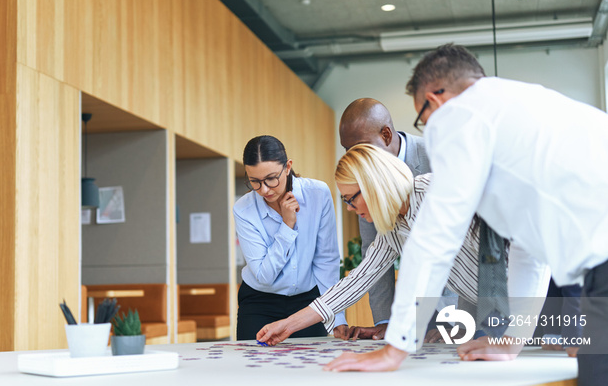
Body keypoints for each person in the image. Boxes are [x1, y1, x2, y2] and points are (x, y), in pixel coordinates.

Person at [323, 44, 608, 386]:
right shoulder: (526, 110)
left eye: (422, 118)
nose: (429, 128)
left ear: (434, 100)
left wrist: (395, 349)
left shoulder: (457, 116)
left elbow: (436, 235)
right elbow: (529, 251)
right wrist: (513, 341)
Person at [256, 144, 549, 344]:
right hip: (501, 314)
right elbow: (356, 282)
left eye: (350, 198)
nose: (348, 207)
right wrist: (289, 325)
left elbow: (521, 258)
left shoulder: (438, 192)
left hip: (543, 300)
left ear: (374, 185)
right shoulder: (393, 228)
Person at [233, 135, 346, 340]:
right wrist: (287, 225)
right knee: (253, 369)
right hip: (259, 302)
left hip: (308, 301)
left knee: (311, 367)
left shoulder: (317, 194)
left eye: (271, 178)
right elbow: (264, 276)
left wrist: (336, 317)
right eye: (255, 182)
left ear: (287, 167)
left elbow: (326, 260)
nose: (264, 190)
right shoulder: (244, 209)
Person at [339, 98, 430, 339]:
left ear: (386, 135)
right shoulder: (363, 182)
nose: (354, 156)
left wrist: (451, 319)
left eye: (360, 147)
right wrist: (386, 321)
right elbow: (374, 254)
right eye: (347, 150)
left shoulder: (436, 157)